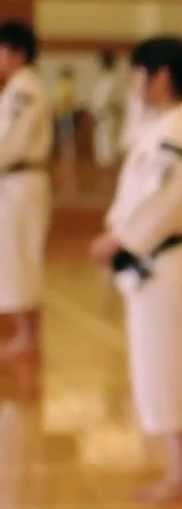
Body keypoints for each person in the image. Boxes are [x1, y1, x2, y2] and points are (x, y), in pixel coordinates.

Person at [88, 36, 182, 504]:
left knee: (173, 368)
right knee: (159, 369)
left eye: (138, 74)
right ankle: (178, 472)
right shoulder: (166, 126)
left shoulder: (180, 132)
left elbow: (164, 200)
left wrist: (120, 238)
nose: (134, 84)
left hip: (172, 262)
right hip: (158, 265)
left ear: (161, 76)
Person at [0, 20, 52, 364]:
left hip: (20, 179)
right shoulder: (17, 88)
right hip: (17, 179)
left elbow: (8, 140)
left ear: (17, 53)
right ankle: (25, 331)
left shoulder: (24, 90)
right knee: (15, 256)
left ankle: (26, 333)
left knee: (18, 256)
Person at [90, 50, 125, 168]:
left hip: (109, 115)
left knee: (109, 140)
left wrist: (107, 110)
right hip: (100, 115)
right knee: (101, 140)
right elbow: (96, 99)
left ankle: (110, 164)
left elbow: (116, 101)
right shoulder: (103, 79)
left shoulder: (114, 79)